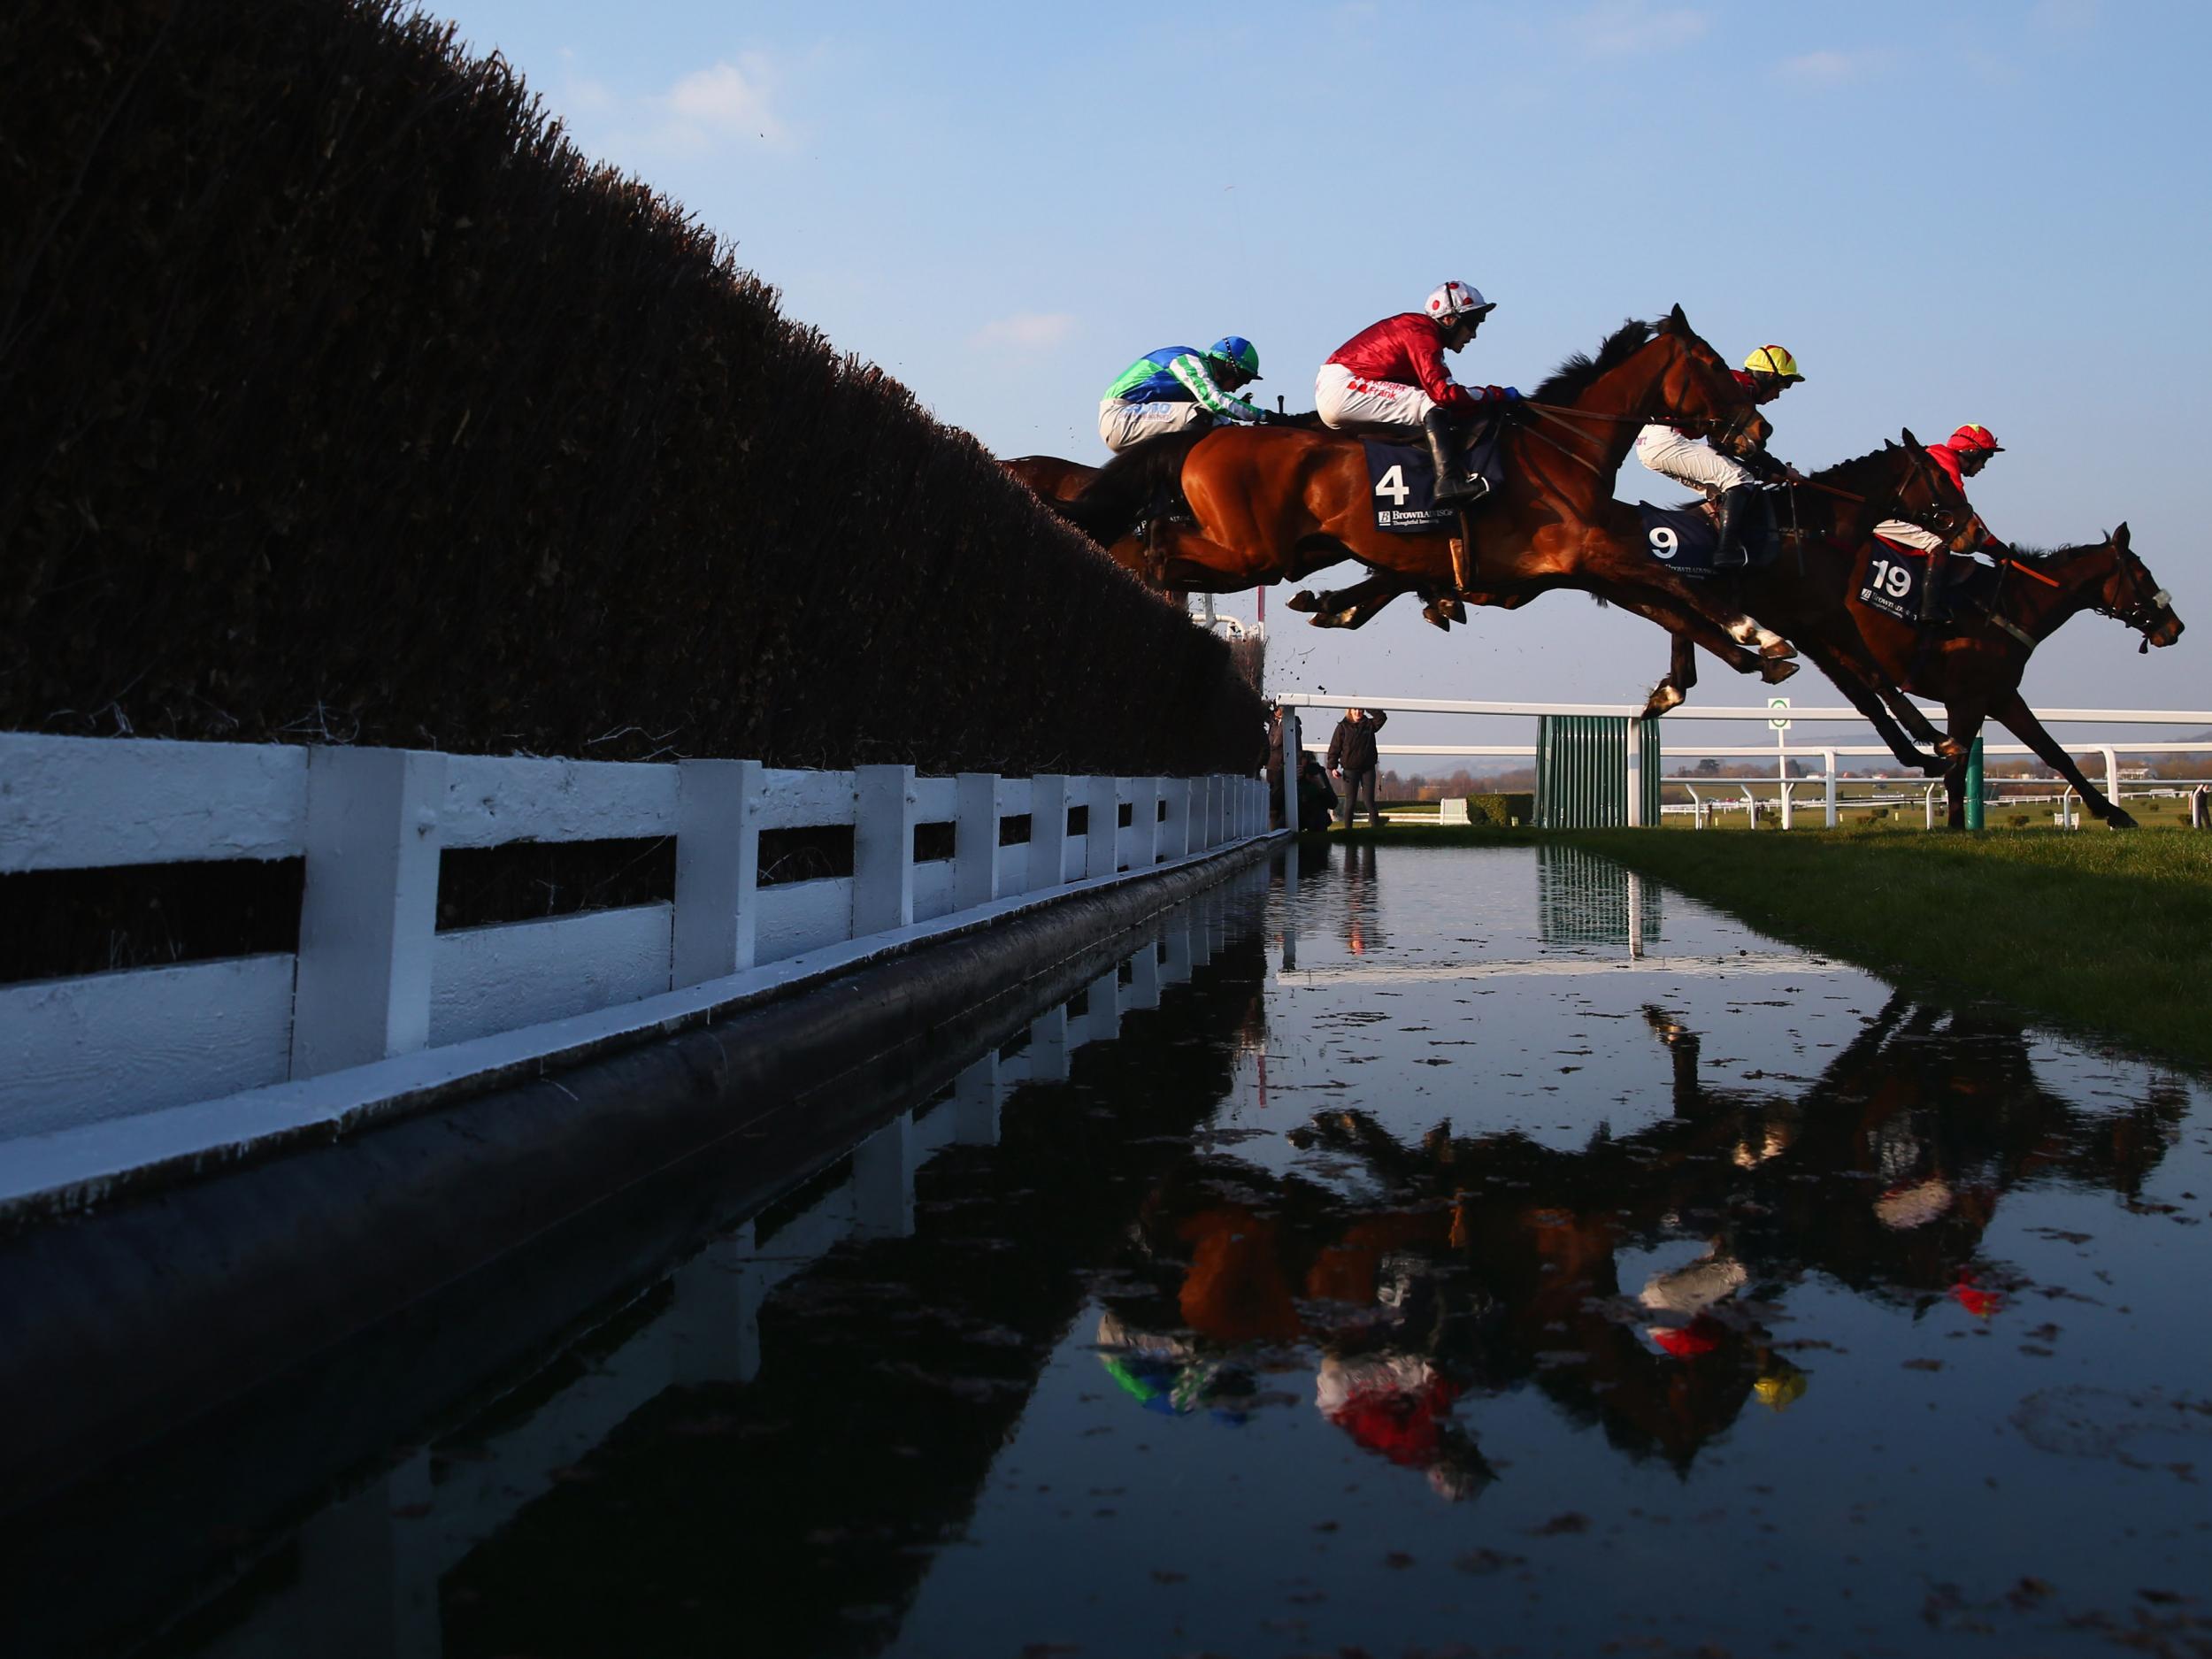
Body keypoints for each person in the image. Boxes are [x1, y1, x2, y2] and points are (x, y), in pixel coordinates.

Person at [1316, 282, 1520, 507]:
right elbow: (1444, 394)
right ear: (1449, 319)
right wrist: (1493, 395)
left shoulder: (1422, 331)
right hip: (1344, 387)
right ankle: (1448, 482)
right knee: (1430, 405)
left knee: (1434, 413)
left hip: (1342, 387)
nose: (1474, 334)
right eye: (1472, 323)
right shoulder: (1422, 332)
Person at [1632, 344, 1806, 564]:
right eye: (1781, 385)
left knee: (1725, 492)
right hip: (1666, 439)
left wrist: (1767, 473)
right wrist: (1781, 470)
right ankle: (1726, 552)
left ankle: (1706, 548)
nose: (1778, 395)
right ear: (1768, 376)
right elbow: (1735, 447)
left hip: (1653, 443)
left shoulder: (1738, 387)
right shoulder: (1739, 388)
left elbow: (1721, 449)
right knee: (1739, 479)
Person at [1868, 423, 2005, 624]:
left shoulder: (1937, 455)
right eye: (1985, 458)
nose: (1983, 466)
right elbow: (1963, 518)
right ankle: (1929, 612)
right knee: (1938, 545)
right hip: (1883, 516)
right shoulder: (1944, 461)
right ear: (1972, 452)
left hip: (1888, 513)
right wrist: (1998, 549)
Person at [1097, 336, 1270, 453]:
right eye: (1242, 380)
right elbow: (1215, 400)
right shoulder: (1189, 360)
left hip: (1135, 418)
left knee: (1218, 421)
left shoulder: (1199, 373)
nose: (1235, 389)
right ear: (1229, 367)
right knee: (1201, 414)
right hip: (1120, 417)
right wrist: (1266, 416)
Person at [1326, 707, 1388, 829]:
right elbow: (1335, 747)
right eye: (1355, 709)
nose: (1358, 712)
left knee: (1369, 801)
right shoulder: (1342, 727)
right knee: (1350, 802)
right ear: (1350, 710)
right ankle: (1348, 831)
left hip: (1368, 769)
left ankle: (1376, 830)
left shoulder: (1369, 725)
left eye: (1360, 709)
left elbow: (1382, 718)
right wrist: (1332, 767)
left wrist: (1368, 706)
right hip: (1350, 770)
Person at [1297, 755, 1339, 833]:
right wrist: (1294, 781)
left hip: (1317, 818)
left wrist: (1322, 786)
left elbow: (1333, 803)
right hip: (1299, 816)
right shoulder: (1291, 778)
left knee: (1319, 816)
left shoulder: (1318, 774)